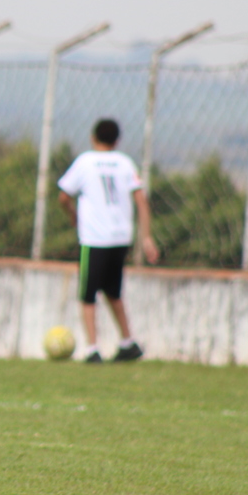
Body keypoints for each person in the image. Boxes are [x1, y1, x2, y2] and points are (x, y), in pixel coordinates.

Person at [57, 118, 159, 364]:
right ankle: (128, 343)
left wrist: (73, 215)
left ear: (93, 137)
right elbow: (141, 201)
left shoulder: (85, 162)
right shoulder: (125, 163)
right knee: (114, 292)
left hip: (94, 238)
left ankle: (93, 348)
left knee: (87, 294)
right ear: (117, 141)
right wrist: (146, 237)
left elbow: (63, 197)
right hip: (121, 237)